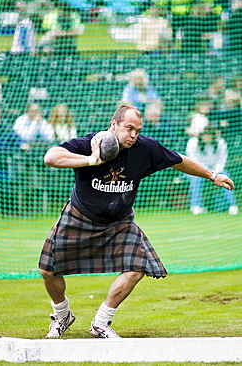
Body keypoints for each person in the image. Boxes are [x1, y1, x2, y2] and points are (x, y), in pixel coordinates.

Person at [39, 104, 235, 339]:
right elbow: (51, 157)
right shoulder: (90, 143)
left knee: (138, 267)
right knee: (47, 270)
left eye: (138, 130)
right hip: (80, 216)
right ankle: (62, 315)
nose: (133, 135)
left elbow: (178, 160)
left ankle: (101, 322)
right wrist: (92, 160)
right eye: (129, 128)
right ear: (114, 125)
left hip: (119, 221)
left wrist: (213, 176)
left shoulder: (145, 148)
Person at [185, 123, 238, 215]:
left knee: (226, 177)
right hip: (196, 170)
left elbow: (222, 160)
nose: (207, 138)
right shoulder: (193, 142)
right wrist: (207, 173)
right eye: (205, 135)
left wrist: (215, 173)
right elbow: (193, 161)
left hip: (216, 170)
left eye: (209, 135)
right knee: (196, 179)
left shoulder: (221, 142)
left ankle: (232, 205)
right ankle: (196, 206)